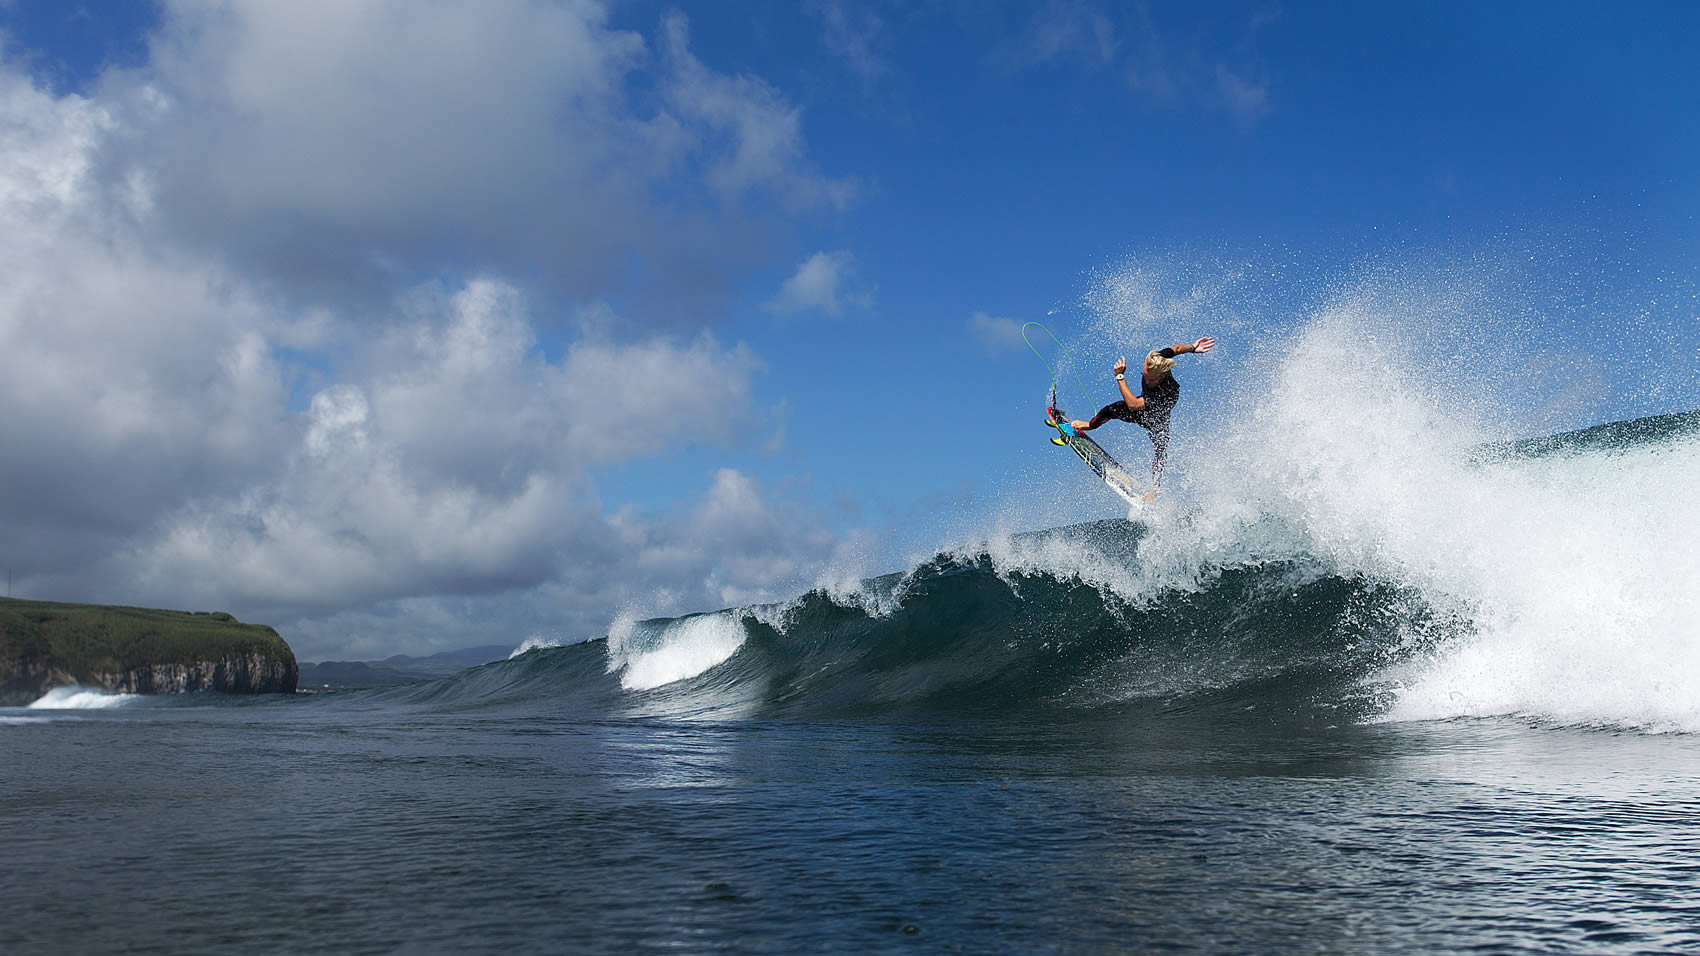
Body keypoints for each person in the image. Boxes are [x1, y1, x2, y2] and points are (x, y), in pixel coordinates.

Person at [1070, 336, 1215, 496]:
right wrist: (1193, 348)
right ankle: (1089, 426)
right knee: (1109, 410)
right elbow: (1177, 349)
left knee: (1160, 452)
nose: (1146, 379)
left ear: (1162, 376)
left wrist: (1119, 376)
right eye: (1145, 374)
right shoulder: (1158, 359)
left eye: (1151, 379)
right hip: (1139, 409)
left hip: (1156, 419)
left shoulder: (1164, 391)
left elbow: (1133, 405)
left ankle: (1154, 490)